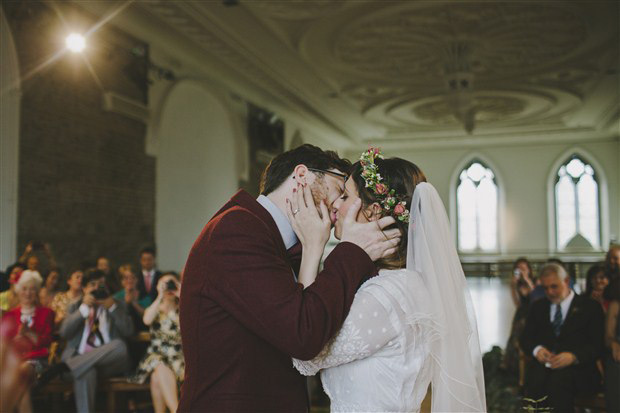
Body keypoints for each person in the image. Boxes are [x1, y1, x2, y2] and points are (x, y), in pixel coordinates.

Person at [178, 144, 400, 412]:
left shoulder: (274, 239)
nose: (342, 205)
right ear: (303, 175)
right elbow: (302, 335)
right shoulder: (237, 229)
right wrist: (351, 250)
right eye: (340, 189)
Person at [291, 148, 486, 412]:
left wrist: (312, 246)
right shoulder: (403, 283)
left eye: (346, 196)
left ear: (372, 211)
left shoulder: (385, 296)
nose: (335, 204)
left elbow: (306, 353)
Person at [520, 263, 605, 412]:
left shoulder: (590, 307)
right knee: (535, 380)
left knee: (559, 382)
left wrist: (573, 356)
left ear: (566, 281)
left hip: (580, 370)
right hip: (543, 369)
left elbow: (598, 345)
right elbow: (525, 338)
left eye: (554, 286)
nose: (550, 292)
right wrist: (537, 350)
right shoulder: (538, 307)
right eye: (545, 288)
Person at [53, 269, 134, 413]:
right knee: (87, 371)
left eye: (101, 285)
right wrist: (83, 309)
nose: (97, 288)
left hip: (111, 363)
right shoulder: (76, 306)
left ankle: (68, 366)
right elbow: (65, 332)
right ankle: (78, 365)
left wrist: (112, 307)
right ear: (84, 289)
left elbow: (128, 331)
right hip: (83, 363)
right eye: (92, 284)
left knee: (120, 346)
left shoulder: (118, 304)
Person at [1, 270, 55, 412]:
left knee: (20, 373)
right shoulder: (10, 316)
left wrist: (28, 333)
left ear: (37, 292)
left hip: (36, 362)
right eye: (24, 289)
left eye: (32, 289)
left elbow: (47, 342)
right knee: (21, 387)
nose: (28, 293)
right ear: (18, 291)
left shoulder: (46, 313)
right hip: (14, 365)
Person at [130, 272, 183, 413]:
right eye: (165, 284)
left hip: (179, 359)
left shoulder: (183, 309)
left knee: (156, 377)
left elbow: (188, 326)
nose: (168, 288)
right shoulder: (155, 308)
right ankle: (176, 410)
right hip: (157, 356)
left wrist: (181, 294)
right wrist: (160, 295)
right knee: (159, 363)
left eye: (171, 283)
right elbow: (147, 320)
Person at [503, 258, 535, 375]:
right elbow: (517, 304)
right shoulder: (518, 284)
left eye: (524, 268)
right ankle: (513, 367)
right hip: (521, 314)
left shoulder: (535, 281)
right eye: (519, 269)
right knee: (515, 340)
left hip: (533, 313)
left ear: (529, 270)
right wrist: (513, 287)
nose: (521, 271)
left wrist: (527, 279)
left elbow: (535, 297)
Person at [114, 264, 151, 331]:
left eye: (133, 277)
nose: (129, 281)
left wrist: (134, 303)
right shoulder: (116, 297)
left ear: (137, 279)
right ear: (121, 281)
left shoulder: (145, 295)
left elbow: (148, 317)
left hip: (143, 329)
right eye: (126, 278)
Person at [604, 278, 620, 412]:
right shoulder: (616, 304)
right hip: (618, 353)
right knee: (614, 365)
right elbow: (608, 337)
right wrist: (614, 343)